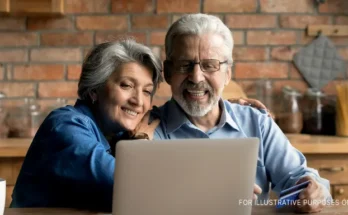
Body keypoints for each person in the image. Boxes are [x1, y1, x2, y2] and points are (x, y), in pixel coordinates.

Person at [10, 38, 266, 212]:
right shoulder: (65, 126)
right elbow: (126, 182)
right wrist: (220, 186)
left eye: (146, 91)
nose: (138, 101)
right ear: (95, 90)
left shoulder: (117, 129)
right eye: (126, 86)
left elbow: (173, 115)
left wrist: (222, 107)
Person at [151, 14, 331, 213]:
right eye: (185, 65)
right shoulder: (149, 130)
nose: (196, 77)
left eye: (210, 65)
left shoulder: (257, 122)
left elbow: (301, 180)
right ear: (168, 72)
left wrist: (314, 191)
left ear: (227, 74)